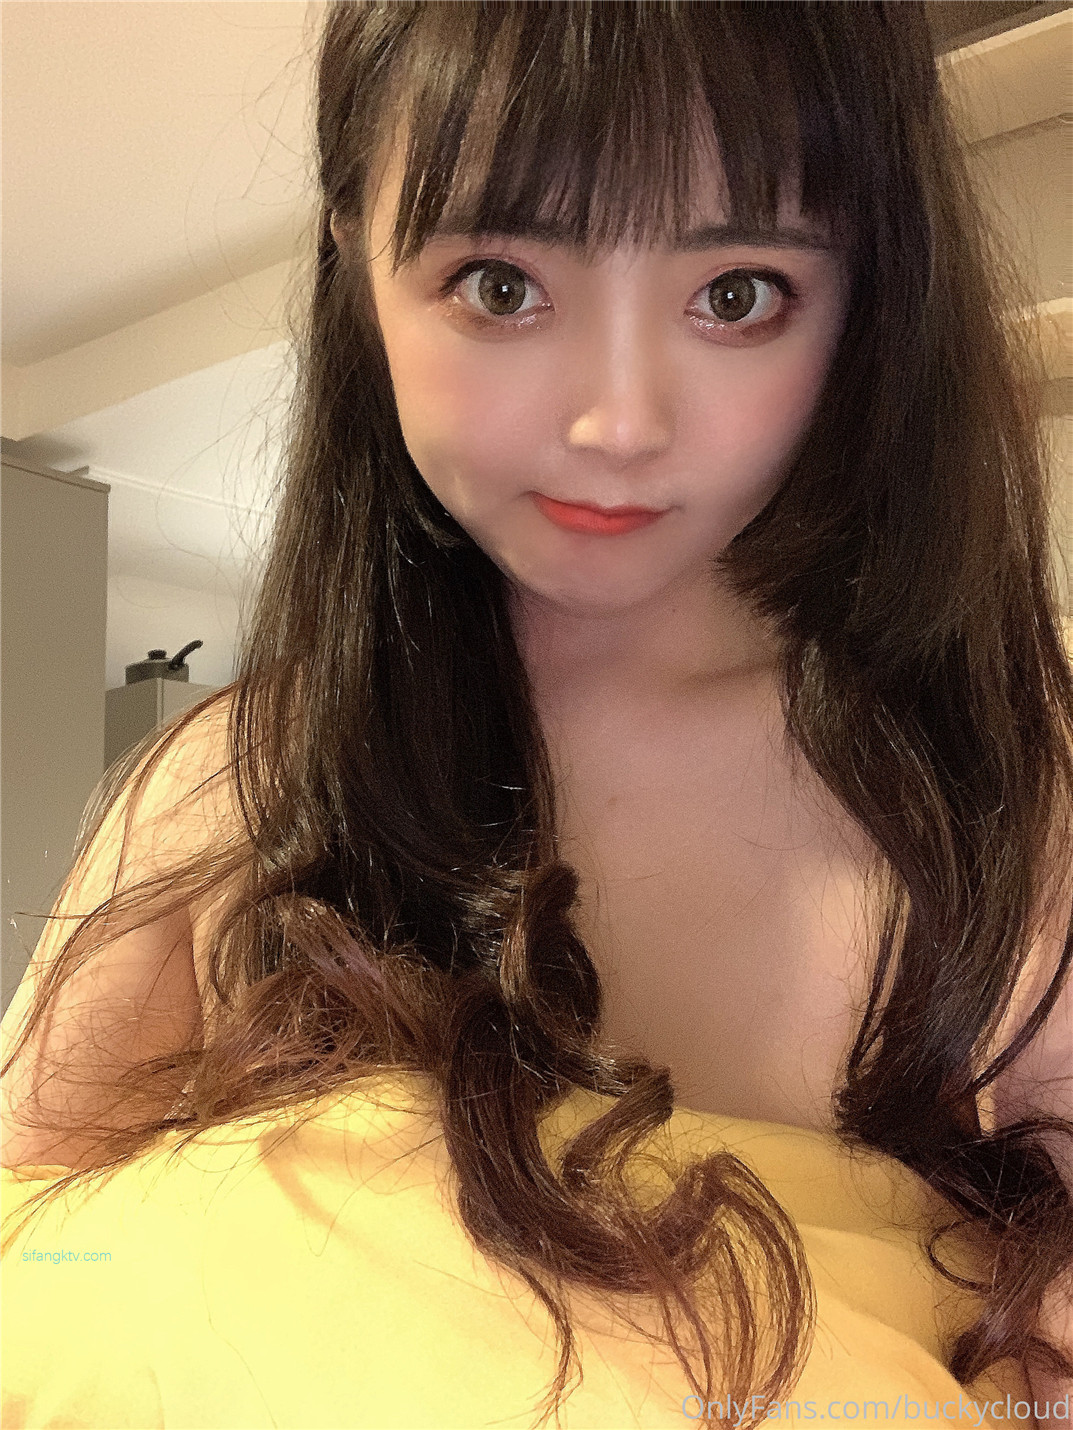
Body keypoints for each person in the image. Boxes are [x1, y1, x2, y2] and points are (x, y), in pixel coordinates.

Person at [2, 2, 1071, 1425]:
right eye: (501, 286)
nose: (618, 422)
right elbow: (35, 1253)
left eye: (737, 294)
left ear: (868, 297)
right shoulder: (232, 783)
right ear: (355, 263)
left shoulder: (1004, 797)